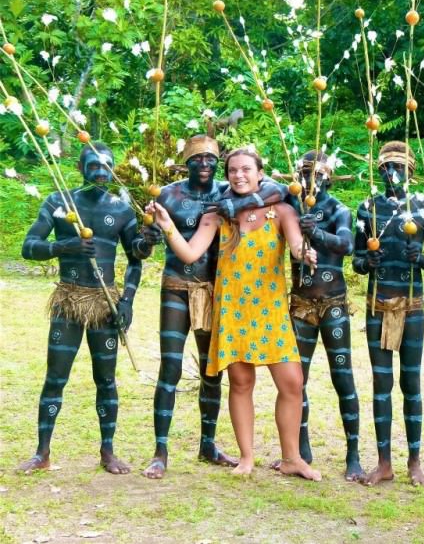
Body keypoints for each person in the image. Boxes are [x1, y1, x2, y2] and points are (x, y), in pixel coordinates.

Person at [147, 146, 320, 480]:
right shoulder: (217, 215)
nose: (239, 176)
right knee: (242, 383)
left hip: (270, 309)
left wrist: (306, 253)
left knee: (292, 383)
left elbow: (298, 247)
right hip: (234, 309)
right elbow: (189, 253)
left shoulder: (281, 210)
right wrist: (167, 226)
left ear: (259, 173)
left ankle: (292, 458)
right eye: (233, 171)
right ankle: (246, 457)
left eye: (246, 170)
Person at [18, 142, 141, 474]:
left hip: (105, 305)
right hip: (69, 301)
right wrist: (64, 245)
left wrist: (126, 300)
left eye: (106, 165)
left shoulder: (123, 209)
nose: (100, 171)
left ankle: (108, 451)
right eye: (92, 164)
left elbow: (135, 261)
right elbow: (29, 247)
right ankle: (42, 453)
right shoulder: (60, 202)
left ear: (114, 169)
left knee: (106, 380)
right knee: (55, 377)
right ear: (80, 167)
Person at [352, 141, 424, 485]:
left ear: (411, 172)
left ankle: (414, 461)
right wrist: (368, 261)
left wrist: (421, 259)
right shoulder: (368, 209)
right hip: (378, 304)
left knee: (411, 382)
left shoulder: (423, 207)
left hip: (412, 306)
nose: (392, 175)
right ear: (379, 172)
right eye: (386, 169)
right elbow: (356, 260)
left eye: (400, 169)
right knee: (382, 383)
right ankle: (383, 463)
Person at [285, 150, 364, 481]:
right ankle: (301, 449)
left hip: (333, 302)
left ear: (329, 177)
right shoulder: (292, 208)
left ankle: (353, 454)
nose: (310, 181)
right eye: (304, 174)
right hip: (301, 303)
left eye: (317, 175)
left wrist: (315, 233)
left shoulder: (337, 210)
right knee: (296, 380)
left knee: (342, 376)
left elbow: (346, 245)